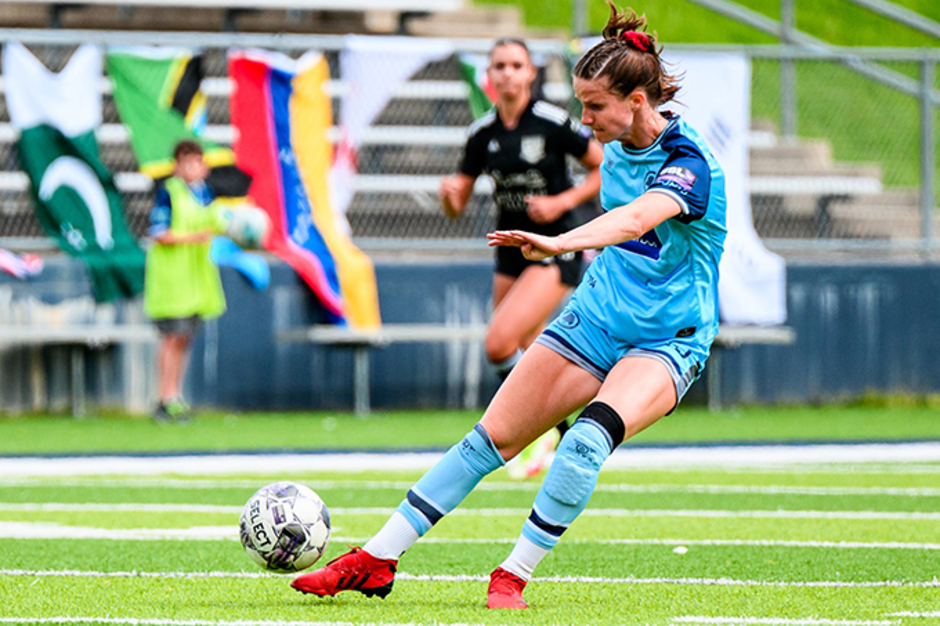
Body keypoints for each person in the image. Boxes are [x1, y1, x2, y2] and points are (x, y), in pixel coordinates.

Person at [291, 3, 727, 610]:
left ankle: (512, 575)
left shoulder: (690, 162)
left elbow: (633, 220)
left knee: (584, 443)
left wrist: (558, 239)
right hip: (597, 320)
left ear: (635, 99)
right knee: (487, 440)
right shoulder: (602, 141)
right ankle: (376, 558)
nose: (585, 118)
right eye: (580, 103)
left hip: (667, 341)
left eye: (595, 106)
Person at [439, 37, 603, 474]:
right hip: (510, 251)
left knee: (499, 344)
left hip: (555, 244)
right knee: (532, 351)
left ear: (531, 73)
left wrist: (561, 203)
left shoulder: (551, 121)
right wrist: (450, 196)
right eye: (499, 66)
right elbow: (455, 208)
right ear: (489, 76)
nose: (508, 73)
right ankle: (570, 443)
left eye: (516, 65)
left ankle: (536, 433)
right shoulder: (482, 133)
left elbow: (601, 165)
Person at [144, 140, 226, 423]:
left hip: (195, 280)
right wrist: (195, 238)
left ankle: (175, 395)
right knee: (172, 337)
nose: (192, 167)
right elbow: (159, 232)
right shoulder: (169, 193)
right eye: (186, 162)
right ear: (177, 165)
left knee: (185, 339)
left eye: (196, 162)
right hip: (172, 281)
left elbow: (218, 224)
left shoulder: (206, 194)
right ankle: (164, 397)